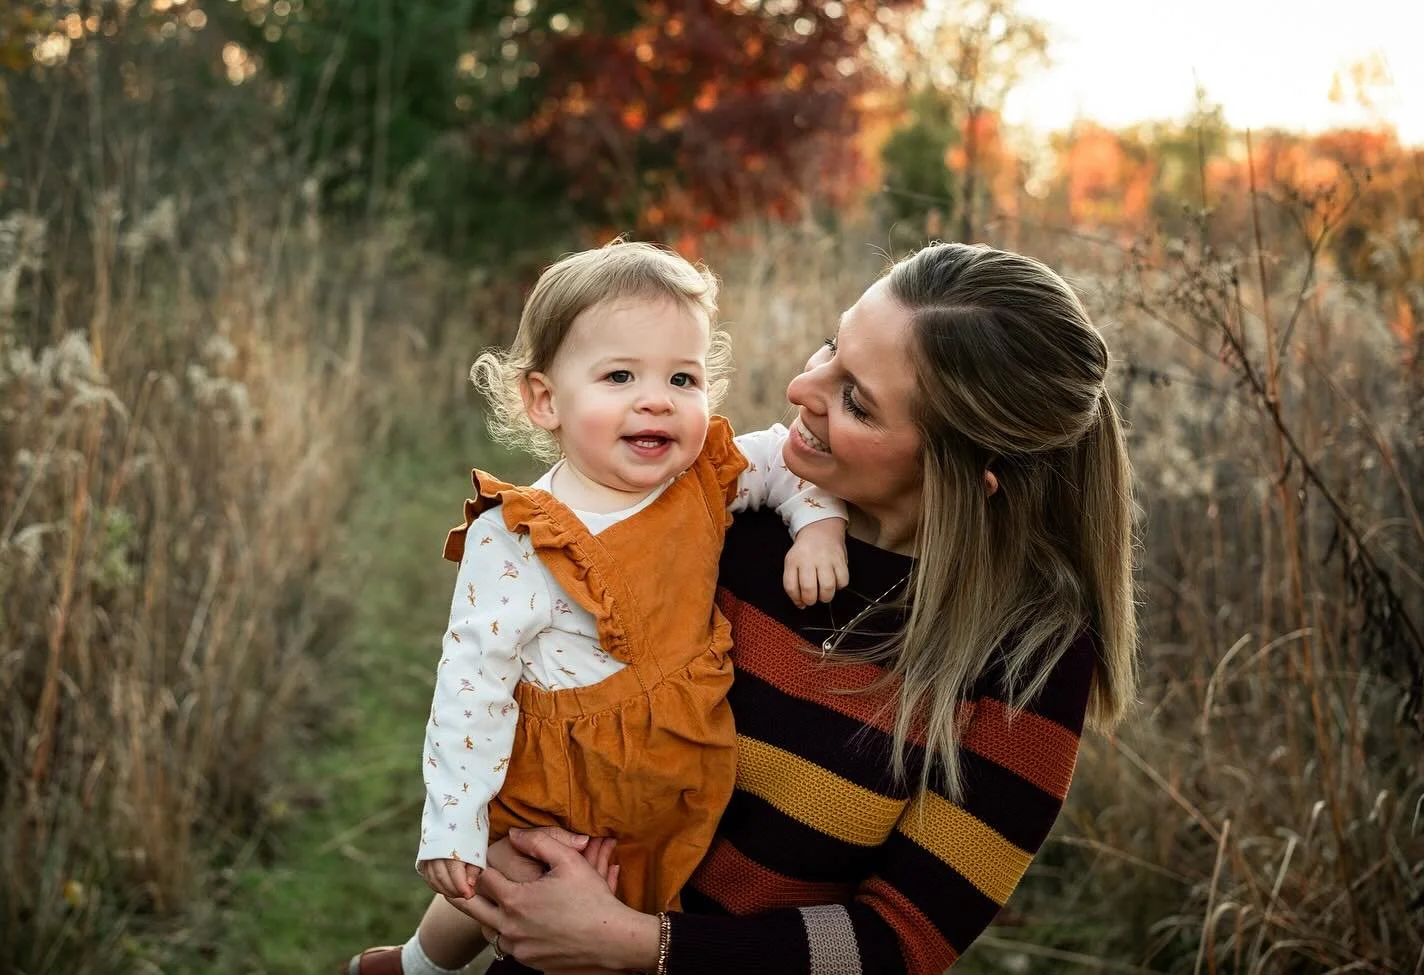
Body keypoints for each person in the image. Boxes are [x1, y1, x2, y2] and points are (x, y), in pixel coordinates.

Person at [438, 240, 1140, 974]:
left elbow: (899, 943)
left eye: (857, 400)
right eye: (832, 345)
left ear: (964, 474)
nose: (803, 386)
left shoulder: (1030, 661)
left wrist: (637, 945)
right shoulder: (730, 525)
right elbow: (542, 705)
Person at [349, 241, 852, 975]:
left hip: (680, 761)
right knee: (513, 879)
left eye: (682, 377)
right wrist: (453, 821)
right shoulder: (521, 536)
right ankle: (416, 966)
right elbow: (471, 683)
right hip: (568, 782)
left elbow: (780, 459)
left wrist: (818, 522)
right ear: (545, 399)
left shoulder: (700, 479)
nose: (656, 398)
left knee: (650, 895)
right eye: (620, 375)